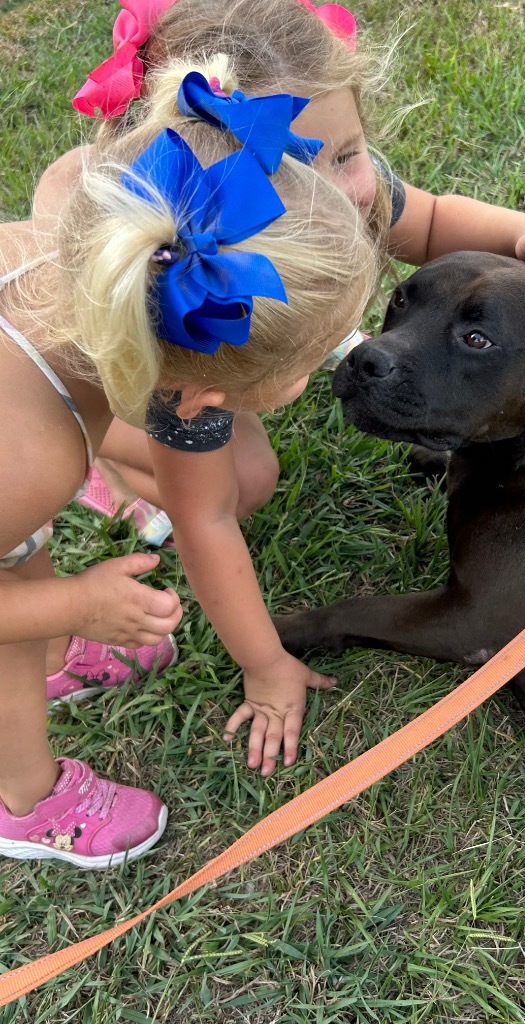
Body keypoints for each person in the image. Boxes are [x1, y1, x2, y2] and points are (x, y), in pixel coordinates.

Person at [35, 0, 525, 780]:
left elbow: (433, 216)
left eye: (349, 149)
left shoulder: (339, 191)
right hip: (78, 377)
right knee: (238, 482)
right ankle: (113, 470)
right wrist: (268, 662)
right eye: (309, 162)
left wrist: (524, 238)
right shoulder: (184, 316)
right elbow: (207, 520)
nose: (348, 189)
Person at [0, 52, 378, 867]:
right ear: (204, 401)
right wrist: (71, 604)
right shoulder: (33, 459)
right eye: (308, 366)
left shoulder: (56, 258)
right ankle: (24, 803)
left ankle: (56, 662)